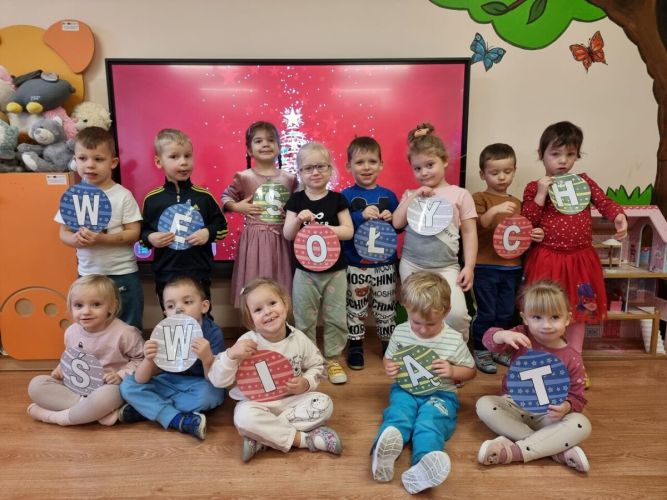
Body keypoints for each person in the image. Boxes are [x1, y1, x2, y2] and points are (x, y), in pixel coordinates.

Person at [521, 121, 627, 387]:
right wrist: (541, 194)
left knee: (578, 313)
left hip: (580, 261)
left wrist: (618, 216)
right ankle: (543, 363)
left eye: (570, 154)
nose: (563, 161)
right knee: (545, 311)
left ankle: (575, 363)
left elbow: (605, 202)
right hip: (548, 260)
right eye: (555, 154)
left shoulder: (584, 182)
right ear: (541, 154)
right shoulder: (534, 187)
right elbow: (527, 221)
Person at [206, 278, 342, 462]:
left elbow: (318, 366)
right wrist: (231, 355)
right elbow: (218, 380)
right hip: (256, 404)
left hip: (291, 401)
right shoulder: (245, 343)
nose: (267, 312)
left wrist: (306, 382)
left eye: (272, 303)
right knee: (243, 417)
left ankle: (262, 437)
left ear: (285, 304)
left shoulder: (299, 339)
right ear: (250, 320)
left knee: (324, 403)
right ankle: (304, 440)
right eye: (258, 310)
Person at [371, 271, 476, 494]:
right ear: (406, 309)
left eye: (431, 324)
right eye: (416, 322)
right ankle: (384, 452)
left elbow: (471, 371)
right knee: (398, 414)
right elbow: (388, 358)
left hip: (441, 393)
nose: (422, 329)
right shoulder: (400, 332)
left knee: (430, 422)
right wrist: (388, 366)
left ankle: (423, 465)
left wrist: (453, 371)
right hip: (405, 389)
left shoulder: (453, 339)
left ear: (446, 312)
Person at [475, 280, 592, 472]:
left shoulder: (572, 357)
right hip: (514, 405)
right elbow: (488, 340)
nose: (546, 325)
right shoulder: (521, 336)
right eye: (537, 317)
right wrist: (502, 335)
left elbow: (577, 398)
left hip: (548, 416)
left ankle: (514, 452)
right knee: (484, 405)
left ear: (567, 319)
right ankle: (554, 449)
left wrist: (566, 406)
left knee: (581, 424)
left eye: (555, 317)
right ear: (525, 318)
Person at [392, 123, 477, 342]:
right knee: (416, 314)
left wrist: (469, 266)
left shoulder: (460, 194)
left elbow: (469, 232)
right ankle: (419, 351)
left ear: (445, 161)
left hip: (446, 267)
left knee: (457, 315)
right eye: (417, 168)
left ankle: (455, 353)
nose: (424, 172)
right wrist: (414, 196)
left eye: (430, 165)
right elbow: (397, 222)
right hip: (412, 265)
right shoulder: (411, 194)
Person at [55, 127, 144, 331]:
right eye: (83, 158)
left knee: (129, 326)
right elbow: (63, 233)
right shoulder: (74, 196)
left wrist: (102, 239)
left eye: (98, 159)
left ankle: (131, 353)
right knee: (91, 328)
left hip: (122, 273)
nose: (90, 165)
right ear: (75, 160)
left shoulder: (122, 196)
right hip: (88, 274)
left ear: (113, 162)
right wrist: (75, 239)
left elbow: (133, 233)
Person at [27, 275, 144, 426]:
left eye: (96, 305)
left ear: (112, 306)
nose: (86, 311)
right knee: (36, 385)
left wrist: (120, 375)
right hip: (76, 387)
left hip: (107, 387)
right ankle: (95, 412)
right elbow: (70, 357)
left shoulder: (125, 333)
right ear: (70, 307)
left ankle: (56, 417)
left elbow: (142, 359)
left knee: (110, 395)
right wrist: (61, 368)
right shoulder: (71, 332)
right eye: (78, 305)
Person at [118, 276, 225, 439]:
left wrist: (207, 358)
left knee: (212, 394)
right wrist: (148, 360)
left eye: (187, 302)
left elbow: (212, 379)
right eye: (170, 306)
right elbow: (140, 379)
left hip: (198, 384)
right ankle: (177, 418)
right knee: (127, 386)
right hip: (167, 382)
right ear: (165, 313)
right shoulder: (163, 332)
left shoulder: (213, 333)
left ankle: (150, 409)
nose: (179, 309)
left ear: (204, 306)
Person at [283, 142, 354, 384]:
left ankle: (332, 359)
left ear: (330, 169)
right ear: (300, 173)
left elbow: (348, 231)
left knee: (336, 318)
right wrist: (298, 220)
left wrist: (322, 229)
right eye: (308, 168)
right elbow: (288, 234)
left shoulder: (337, 199)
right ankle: (310, 360)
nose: (315, 172)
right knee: (304, 319)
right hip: (305, 272)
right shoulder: (296, 200)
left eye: (321, 166)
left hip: (335, 272)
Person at [471, 143, 544, 374]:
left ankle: (498, 346)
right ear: (482, 174)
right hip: (485, 266)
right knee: (486, 311)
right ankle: (481, 348)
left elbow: (521, 233)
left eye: (507, 171)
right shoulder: (479, 198)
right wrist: (495, 210)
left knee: (505, 311)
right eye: (494, 172)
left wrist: (534, 234)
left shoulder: (518, 203)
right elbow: (477, 225)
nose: (501, 177)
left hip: (512, 267)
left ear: (514, 171)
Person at [140, 128, 228, 310]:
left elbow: (222, 227)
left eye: (187, 156)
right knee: (171, 320)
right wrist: (150, 238)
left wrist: (208, 233)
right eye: (174, 157)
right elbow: (141, 233)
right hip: (166, 273)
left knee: (202, 317)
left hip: (199, 272)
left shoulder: (204, 197)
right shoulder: (152, 199)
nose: (183, 162)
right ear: (159, 162)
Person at [221, 121, 298, 307]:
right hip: (254, 240)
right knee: (255, 280)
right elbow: (226, 197)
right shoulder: (244, 177)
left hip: (281, 239)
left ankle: (281, 319)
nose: (265, 144)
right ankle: (253, 320)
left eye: (271, 140)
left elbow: (299, 203)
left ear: (279, 147)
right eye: (258, 141)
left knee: (281, 281)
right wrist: (237, 207)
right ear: (249, 150)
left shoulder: (290, 179)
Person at [341, 136, 399, 370]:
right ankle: (355, 345)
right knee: (355, 307)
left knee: (386, 306)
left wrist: (392, 218)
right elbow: (341, 226)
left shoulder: (389, 196)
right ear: (349, 166)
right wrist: (359, 216)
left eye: (372, 161)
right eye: (359, 162)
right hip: (355, 265)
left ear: (381, 165)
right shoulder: (344, 196)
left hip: (385, 265)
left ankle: (388, 343)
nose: (366, 167)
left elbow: (399, 226)